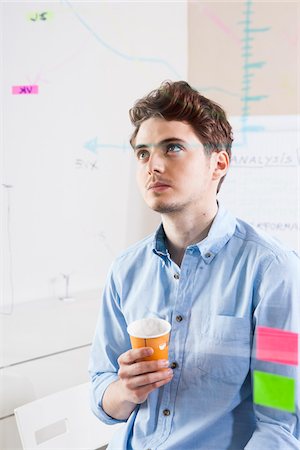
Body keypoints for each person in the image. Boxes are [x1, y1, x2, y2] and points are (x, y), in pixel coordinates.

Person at [89, 81, 300, 449]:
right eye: (142, 153)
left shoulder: (272, 271)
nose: (153, 165)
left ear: (218, 162)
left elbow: (278, 421)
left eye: (172, 148)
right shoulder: (125, 270)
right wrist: (126, 390)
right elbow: (102, 393)